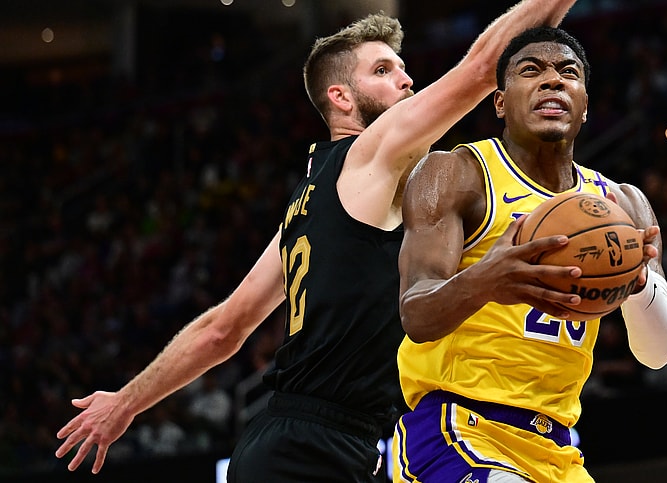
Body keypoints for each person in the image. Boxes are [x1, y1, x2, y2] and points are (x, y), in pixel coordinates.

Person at [54, 2, 579, 481]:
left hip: (327, 439)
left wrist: (127, 401)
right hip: (310, 443)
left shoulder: (307, 205)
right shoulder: (370, 155)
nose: (406, 78)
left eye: (401, 67)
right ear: (340, 98)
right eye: (383, 70)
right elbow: (480, 67)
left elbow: (223, 329)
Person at [393, 27, 667, 482]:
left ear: (585, 103)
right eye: (531, 71)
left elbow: (659, 353)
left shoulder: (623, 206)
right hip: (458, 430)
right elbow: (415, 314)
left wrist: (638, 284)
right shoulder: (456, 174)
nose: (552, 80)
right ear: (501, 102)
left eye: (568, 72)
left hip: (558, 448)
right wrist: (485, 279)